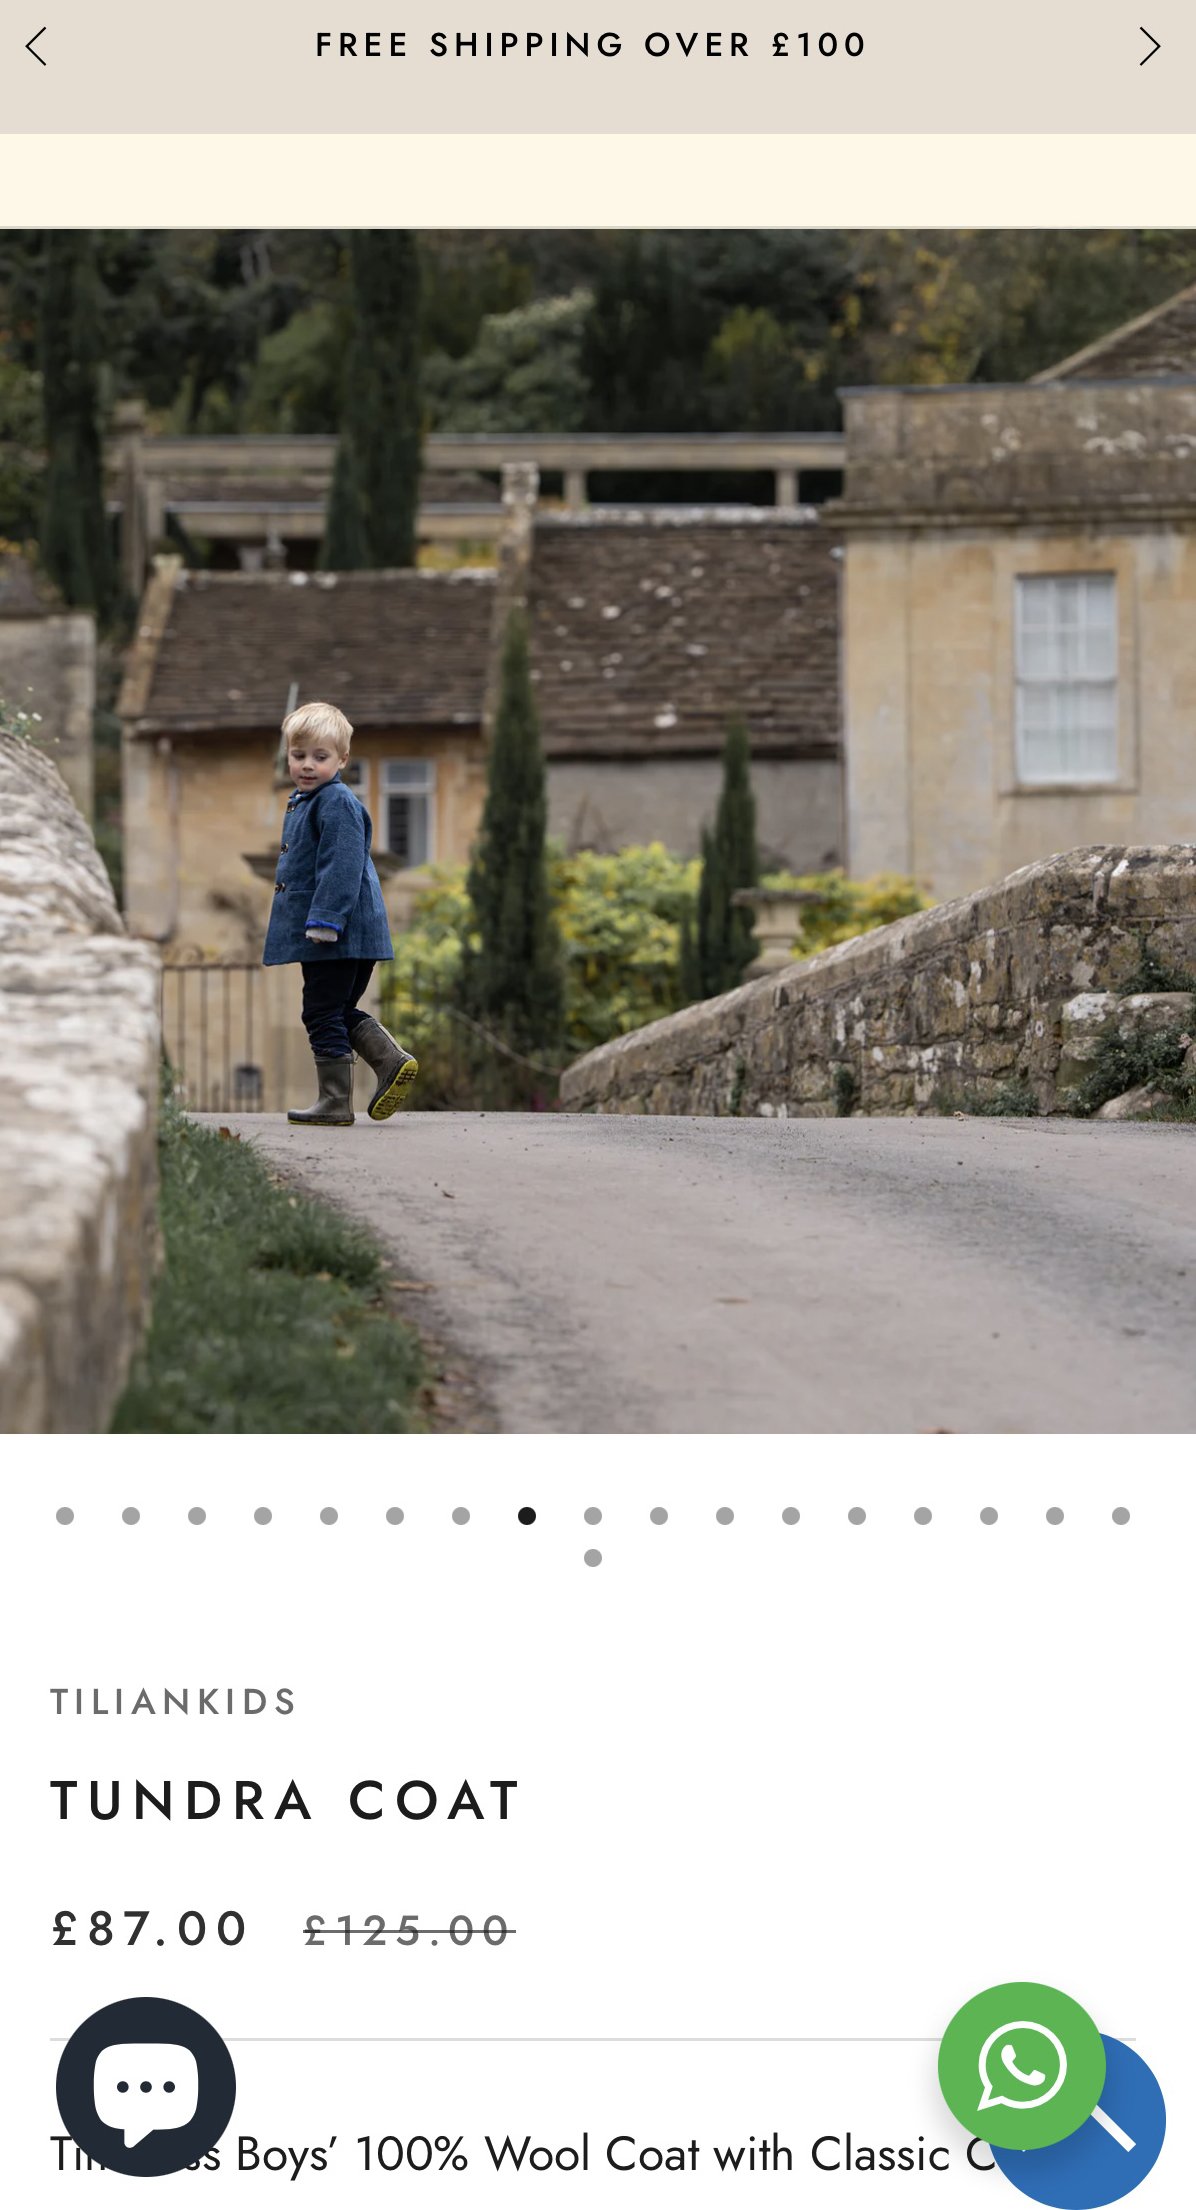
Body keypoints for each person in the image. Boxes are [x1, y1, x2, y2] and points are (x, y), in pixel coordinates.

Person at [262, 701, 417, 1126]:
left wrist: (325, 920)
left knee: (319, 1010)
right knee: (335, 1009)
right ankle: (389, 1062)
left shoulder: (336, 802)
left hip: (338, 930)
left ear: (343, 759)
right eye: (299, 756)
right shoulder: (312, 800)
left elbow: (342, 864)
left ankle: (334, 1102)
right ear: (288, 755)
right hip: (349, 931)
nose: (307, 765)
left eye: (320, 757)